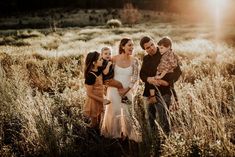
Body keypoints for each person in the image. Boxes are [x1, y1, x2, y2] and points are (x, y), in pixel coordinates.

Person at [101, 38, 142, 142]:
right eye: (129, 45)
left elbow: (135, 77)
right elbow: (106, 75)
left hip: (127, 91)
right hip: (114, 90)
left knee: (128, 112)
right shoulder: (113, 59)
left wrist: (126, 90)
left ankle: (127, 135)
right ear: (123, 46)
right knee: (114, 111)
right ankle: (114, 135)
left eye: (133, 45)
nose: (132, 47)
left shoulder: (135, 60)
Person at [139, 36, 182, 135]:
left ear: (154, 42)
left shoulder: (166, 53)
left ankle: (166, 141)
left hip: (164, 92)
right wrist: (148, 79)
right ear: (144, 50)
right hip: (149, 92)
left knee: (163, 118)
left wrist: (167, 82)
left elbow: (178, 72)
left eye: (152, 45)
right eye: (148, 48)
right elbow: (142, 74)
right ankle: (153, 139)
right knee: (150, 118)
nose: (152, 48)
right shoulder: (146, 58)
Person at [83, 51, 110, 128]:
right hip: (94, 100)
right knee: (94, 123)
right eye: (100, 59)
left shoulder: (99, 69)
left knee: (100, 119)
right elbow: (89, 93)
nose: (102, 60)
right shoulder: (90, 75)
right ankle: (91, 135)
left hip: (100, 97)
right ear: (94, 63)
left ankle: (99, 133)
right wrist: (103, 100)